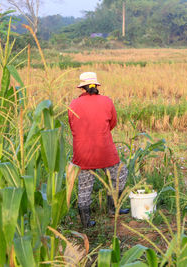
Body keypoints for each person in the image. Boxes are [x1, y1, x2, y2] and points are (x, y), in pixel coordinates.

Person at [68, 72, 130, 228]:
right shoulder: (106, 101)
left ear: (82, 88)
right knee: (120, 174)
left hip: (83, 153)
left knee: (85, 185)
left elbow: (72, 126)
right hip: (104, 150)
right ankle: (113, 208)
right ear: (96, 86)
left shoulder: (73, 105)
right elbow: (112, 123)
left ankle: (86, 221)